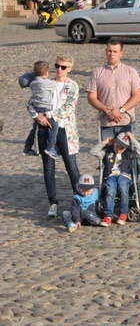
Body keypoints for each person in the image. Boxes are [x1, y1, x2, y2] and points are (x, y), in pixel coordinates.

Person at [30, 56, 81, 217]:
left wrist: (50, 114)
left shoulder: (72, 86)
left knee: (71, 166)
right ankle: (53, 202)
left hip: (64, 129)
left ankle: (81, 199)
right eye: (57, 66)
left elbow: (68, 108)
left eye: (63, 67)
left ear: (69, 69)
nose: (59, 69)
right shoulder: (46, 83)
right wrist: (37, 116)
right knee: (48, 167)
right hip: (45, 128)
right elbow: (31, 102)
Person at [87, 39, 140, 139]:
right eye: (109, 51)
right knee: (107, 153)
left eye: (115, 51)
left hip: (126, 122)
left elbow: (137, 96)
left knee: (127, 154)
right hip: (105, 123)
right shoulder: (97, 73)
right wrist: (106, 110)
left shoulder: (131, 72)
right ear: (105, 52)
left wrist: (121, 110)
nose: (111, 54)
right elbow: (91, 97)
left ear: (121, 53)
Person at [96, 131, 140, 226]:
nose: (118, 149)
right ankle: (108, 215)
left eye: (122, 148)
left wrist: (132, 139)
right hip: (111, 175)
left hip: (124, 175)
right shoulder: (107, 152)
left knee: (123, 188)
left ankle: (123, 213)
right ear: (114, 143)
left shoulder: (128, 153)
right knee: (110, 190)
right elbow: (93, 151)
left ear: (126, 147)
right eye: (117, 146)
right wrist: (104, 142)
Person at [22, 61, 60, 159]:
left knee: (34, 129)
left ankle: (27, 148)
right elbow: (57, 85)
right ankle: (50, 147)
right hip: (45, 108)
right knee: (54, 126)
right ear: (46, 73)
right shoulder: (49, 83)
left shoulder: (33, 83)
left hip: (36, 107)